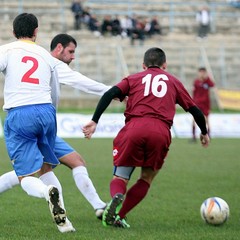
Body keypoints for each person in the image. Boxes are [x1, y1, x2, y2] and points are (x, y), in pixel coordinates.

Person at [82, 47, 210, 228]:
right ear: (165, 65)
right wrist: (204, 132)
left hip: (134, 128)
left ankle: (116, 197)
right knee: (146, 178)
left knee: (120, 178)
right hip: (160, 131)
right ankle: (120, 215)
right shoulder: (173, 81)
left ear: (143, 65)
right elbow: (195, 110)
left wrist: (94, 121)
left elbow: (109, 93)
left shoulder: (133, 78)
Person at [0, 33, 110, 221]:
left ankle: (98, 207)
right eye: (71, 51)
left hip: (35, 123)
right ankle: (69, 215)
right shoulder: (49, 59)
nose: (73, 56)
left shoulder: (13, 52)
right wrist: (113, 91)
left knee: (75, 161)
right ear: (58, 48)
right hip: (42, 123)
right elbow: (81, 81)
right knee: (34, 172)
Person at [0, 13, 72, 233]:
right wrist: (51, 115)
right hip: (46, 112)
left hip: (20, 113)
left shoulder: (6, 49)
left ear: (13, 32)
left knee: (25, 177)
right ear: (36, 32)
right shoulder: (45, 54)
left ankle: (46, 192)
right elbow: (55, 90)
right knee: (46, 167)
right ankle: (65, 223)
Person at [191, 67, 215, 142]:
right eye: (200, 72)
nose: (201, 74)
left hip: (205, 105)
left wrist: (207, 78)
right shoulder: (196, 82)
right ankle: (194, 137)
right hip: (197, 104)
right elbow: (194, 93)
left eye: (203, 72)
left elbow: (213, 85)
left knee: (207, 121)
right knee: (194, 120)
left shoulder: (207, 82)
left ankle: (208, 136)